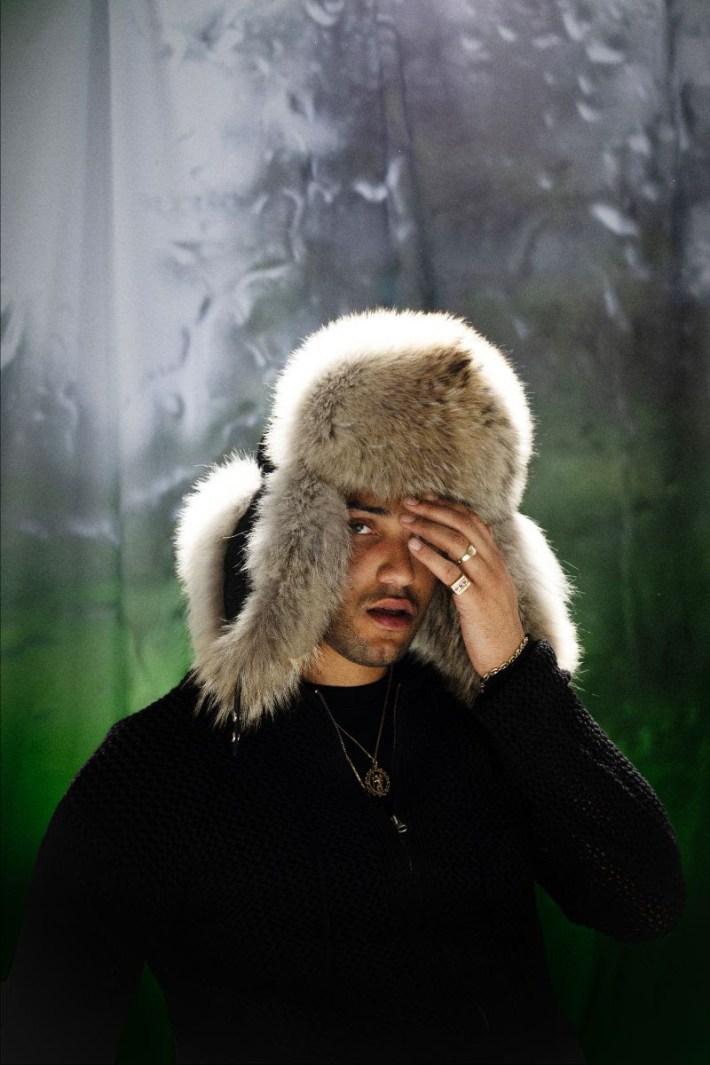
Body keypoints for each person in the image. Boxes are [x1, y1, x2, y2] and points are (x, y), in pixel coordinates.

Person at [2, 309, 684, 1064]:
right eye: (363, 524)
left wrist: (516, 672)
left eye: (428, 532)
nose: (400, 569)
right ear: (298, 535)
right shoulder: (159, 771)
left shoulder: (492, 722)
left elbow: (645, 902)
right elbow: (44, 1031)